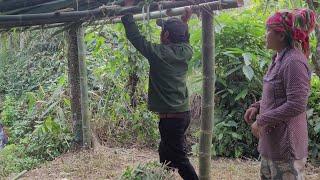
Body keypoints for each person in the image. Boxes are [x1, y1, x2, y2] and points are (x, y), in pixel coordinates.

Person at [121, 1, 198, 179]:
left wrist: (126, 11)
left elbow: (136, 38)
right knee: (165, 153)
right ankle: (164, 176)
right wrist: (184, 24)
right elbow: (182, 40)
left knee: (179, 159)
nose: (160, 33)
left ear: (167, 35)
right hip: (181, 115)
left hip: (172, 119)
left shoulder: (158, 54)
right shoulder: (186, 52)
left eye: (162, 30)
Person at [244, 9, 315, 180]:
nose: (265, 35)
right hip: (273, 145)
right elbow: (278, 94)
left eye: (268, 30)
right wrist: (257, 106)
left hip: (286, 148)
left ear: (281, 36)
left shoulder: (294, 62)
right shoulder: (278, 58)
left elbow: (296, 104)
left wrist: (262, 120)